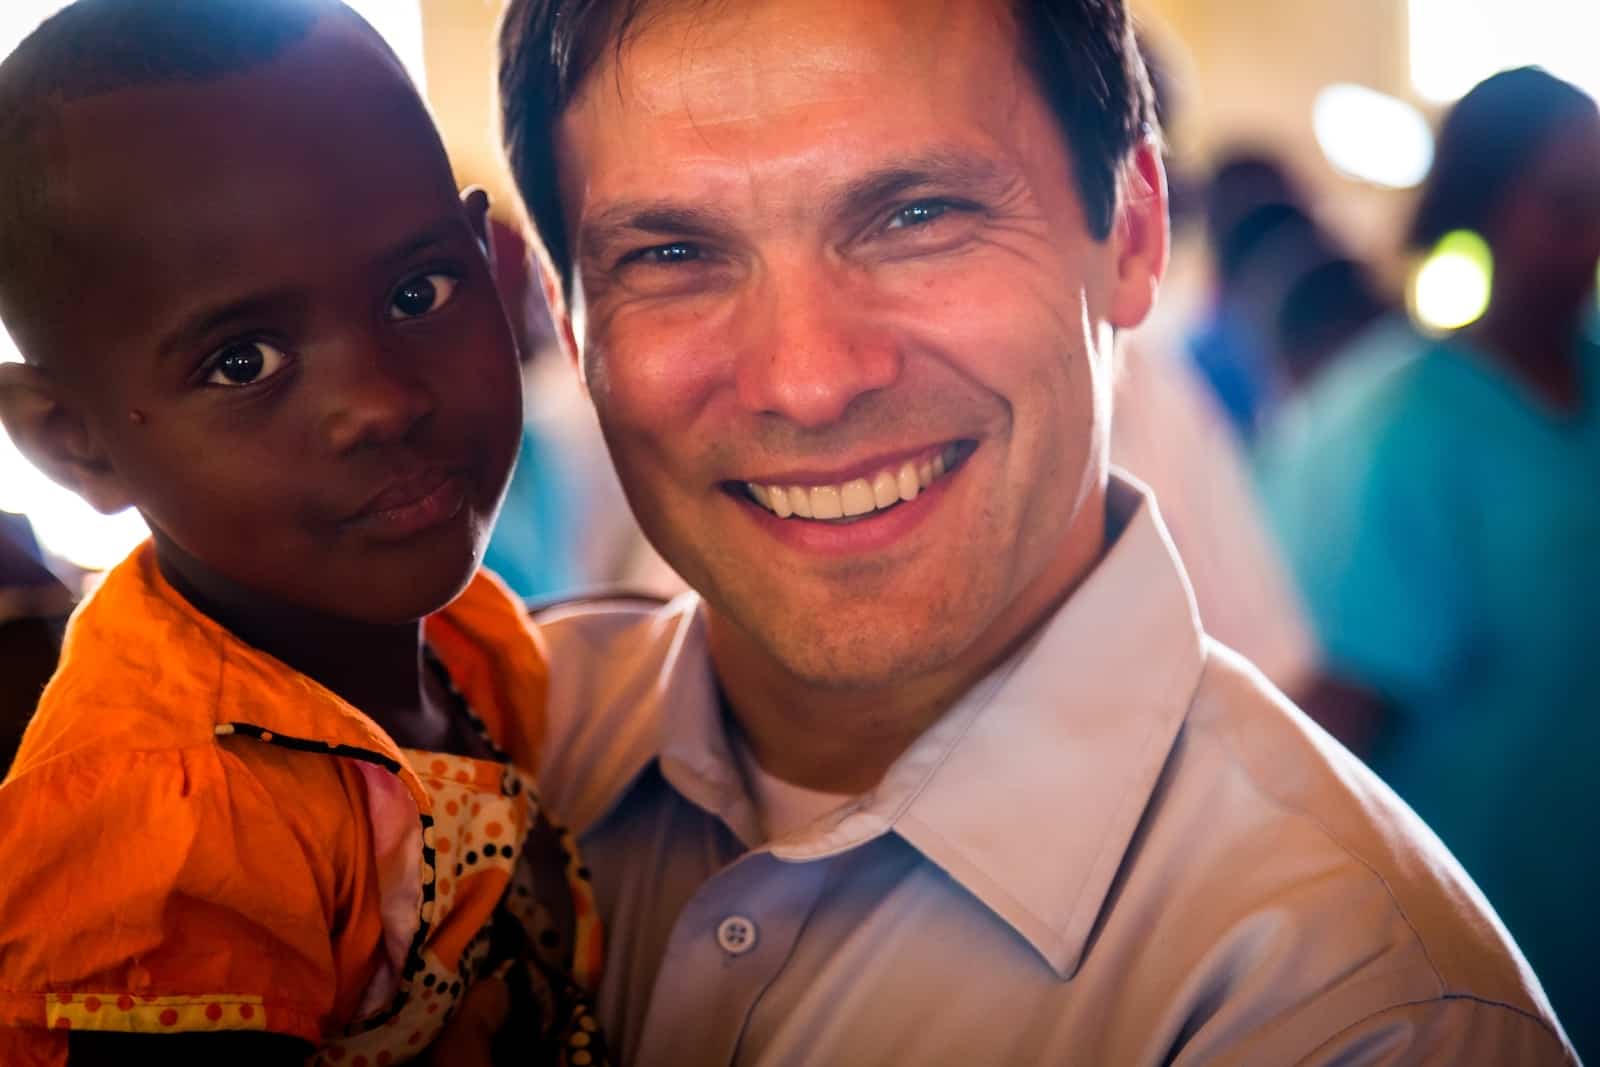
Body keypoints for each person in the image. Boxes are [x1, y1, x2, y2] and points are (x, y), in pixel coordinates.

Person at [496, 0, 1574, 1063]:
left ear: (1135, 232)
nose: (809, 379)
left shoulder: (1355, 1008)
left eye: (918, 216)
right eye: (672, 254)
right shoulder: (451, 774)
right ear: (567, 308)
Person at [0, 2, 606, 1064]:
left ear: (490, 262)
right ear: (75, 442)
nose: (378, 402)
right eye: (244, 362)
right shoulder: (172, 817)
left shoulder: (469, 635)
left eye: (418, 291)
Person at [1258, 66, 1600, 1061]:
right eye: (1566, 207)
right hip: (1480, 901)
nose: (1590, 239)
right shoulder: (1412, 423)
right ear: (1482, 207)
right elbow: (1349, 709)